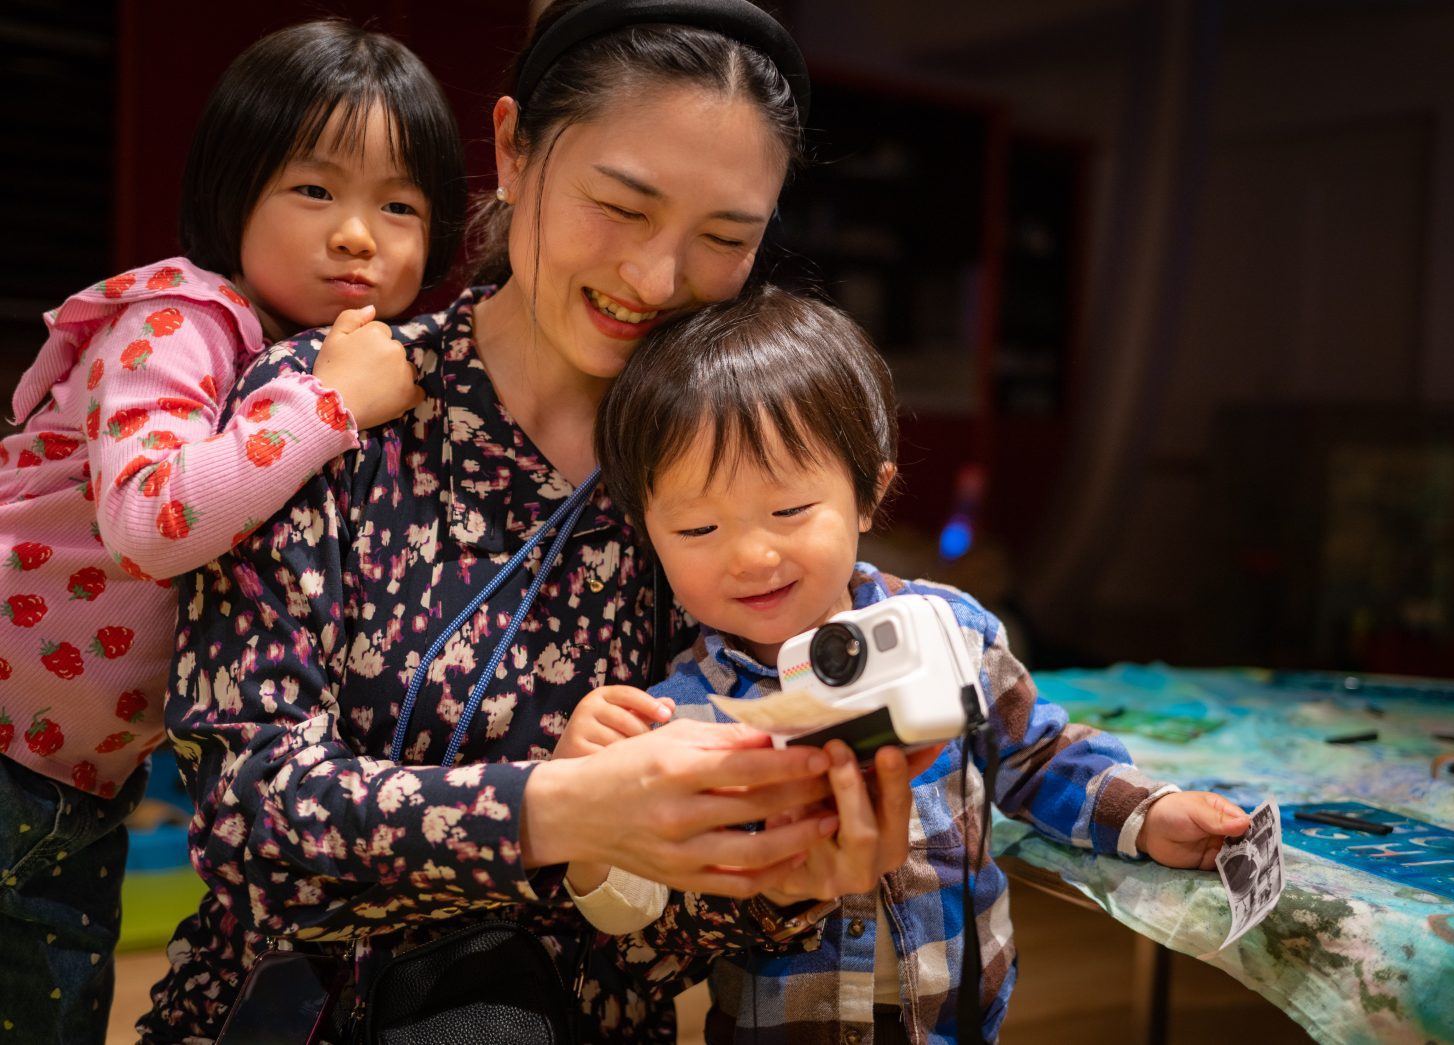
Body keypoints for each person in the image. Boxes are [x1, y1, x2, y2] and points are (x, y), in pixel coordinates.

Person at [139, 2, 925, 1041]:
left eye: (723, 238)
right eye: (621, 206)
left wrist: (789, 878)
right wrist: (556, 810)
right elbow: (248, 812)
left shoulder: (720, 497)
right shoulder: (329, 406)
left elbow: (664, 942)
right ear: (512, 149)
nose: (654, 280)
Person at [561, 284, 1255, 1043]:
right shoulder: (679, 714)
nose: (751, 555)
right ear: (647, 534)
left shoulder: (947, 628)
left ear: (869, 493)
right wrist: (589, 824)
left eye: (790, 511)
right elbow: (632, 919)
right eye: (697, 527)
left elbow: (1036, 754)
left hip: (961, 1018)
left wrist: (1147, 813)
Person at [0, 20, 460, 1042]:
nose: (358, 234)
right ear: (231, 186)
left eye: (399, 205)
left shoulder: (297, 355)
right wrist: (331, 405)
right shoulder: (182, 318)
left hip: (76, 773)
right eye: (315, 190)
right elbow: (150, 518)